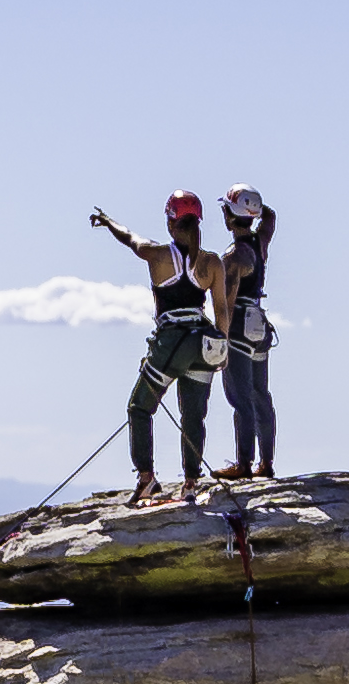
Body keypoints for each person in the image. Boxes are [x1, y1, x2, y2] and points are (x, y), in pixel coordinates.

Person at [90, 192, 221, 495]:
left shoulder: (158, 255)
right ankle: (191, 482)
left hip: (172, 342)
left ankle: (146, 477)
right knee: (193, 415)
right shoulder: (211, 262)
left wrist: (108, 221)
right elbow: (222, 308)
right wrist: (222, 346)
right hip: (204, 341)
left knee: (140, 407)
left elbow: (130, 238)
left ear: (171, 221)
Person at [215, 185, 280, 477]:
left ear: (229, 215)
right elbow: (271, 216)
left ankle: (243, 463)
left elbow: (226, 302)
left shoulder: (233, 256)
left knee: (240, 397)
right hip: (259, 324)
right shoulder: (260, 242)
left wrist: (221, 339)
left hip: (239, 325)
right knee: (261, 395)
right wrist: (256, 206)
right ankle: (265, 462)